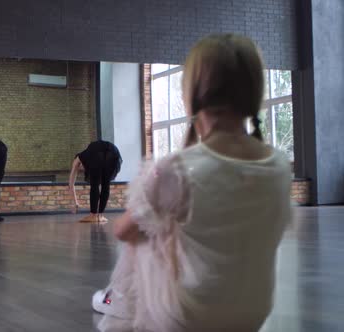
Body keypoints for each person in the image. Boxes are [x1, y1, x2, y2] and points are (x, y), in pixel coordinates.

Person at [92, 34, 292, 332]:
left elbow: (123, 232)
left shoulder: (177, 169)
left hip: (189, 317)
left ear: (193, 94)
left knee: (142, 234)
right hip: (254, 313)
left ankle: (116, 302)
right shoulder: (278, 165)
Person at [69, 140, 122, 223]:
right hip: (114, 152)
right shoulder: (87, 155)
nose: (82, 170)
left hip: (99, 153)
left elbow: (71, 183)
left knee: (95, 184)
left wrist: (75, 203)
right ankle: (100, 215)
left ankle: (93, 215)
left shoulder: (78, 159)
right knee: (106, 184)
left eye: (81, 169)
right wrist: (75, 202)